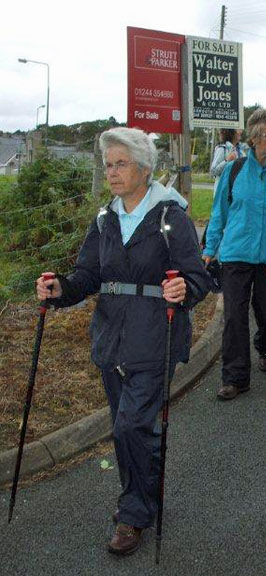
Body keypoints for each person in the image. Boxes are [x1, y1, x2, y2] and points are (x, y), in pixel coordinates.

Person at [35, 127, 209, 556]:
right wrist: (61, 290)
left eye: (121, 164)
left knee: (132, 424)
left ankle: (133, 514)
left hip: (155, 336)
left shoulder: (171, 218)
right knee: (125, 428)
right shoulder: (105, 220)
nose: (112, 172)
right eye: (108, 164)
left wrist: (182, 288)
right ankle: (141, 497)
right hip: (111, 339)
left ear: (145, 169)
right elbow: (88, 276)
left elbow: (199, 278)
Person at [203, 109, 266, 401]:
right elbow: (219, 213)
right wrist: (210, 249)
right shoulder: (234, 170)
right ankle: (235, 377)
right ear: (255, 138)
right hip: (234, 255)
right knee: (234, 317)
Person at [210, 128, 245, 195]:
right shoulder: (222, 149)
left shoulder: (241, 151)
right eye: (238, 129)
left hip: (237, 192)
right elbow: (213, 171)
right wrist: (227, 161)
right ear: (231, 132)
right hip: (222, 194)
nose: (241, 131)